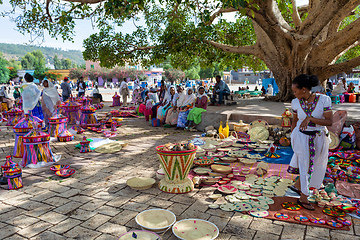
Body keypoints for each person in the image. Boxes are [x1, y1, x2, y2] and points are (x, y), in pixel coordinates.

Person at [287, 74, 333, 210]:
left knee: (316, 166)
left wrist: (311, 119)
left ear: (304, 90)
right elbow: (295, 121)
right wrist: (292, 136)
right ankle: (303, 197)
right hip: (302, 138)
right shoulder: (295, 103)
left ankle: (298, 186)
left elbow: (330, 122)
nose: (294, 94)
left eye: (295, 91)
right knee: (304, 166)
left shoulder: (324, 100)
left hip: (319, 138)